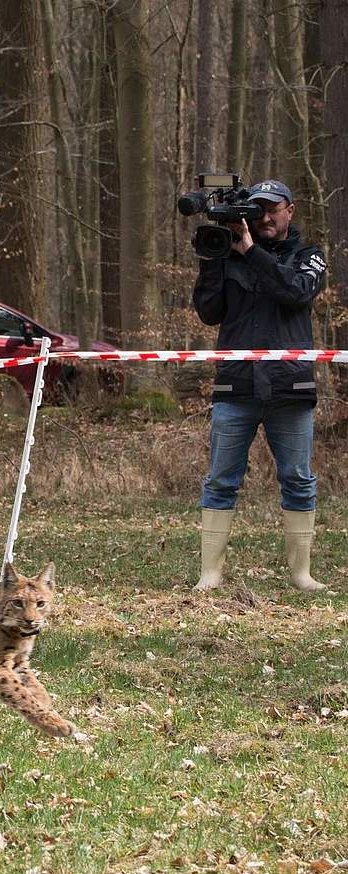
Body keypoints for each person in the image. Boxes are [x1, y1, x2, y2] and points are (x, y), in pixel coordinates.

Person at [192, 178, 328, 593]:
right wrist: (215, 258)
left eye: (273, 208)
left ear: (292, 209)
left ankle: (301, 574)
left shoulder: (309, 256)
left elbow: (296, 292)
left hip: (290, 389)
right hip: (236, 387)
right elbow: (208, 313)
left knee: (299, 479)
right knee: (220, 480)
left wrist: (251, 252)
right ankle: (210, 574)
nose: (266, 217)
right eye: (258, 209)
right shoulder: (229, 255)